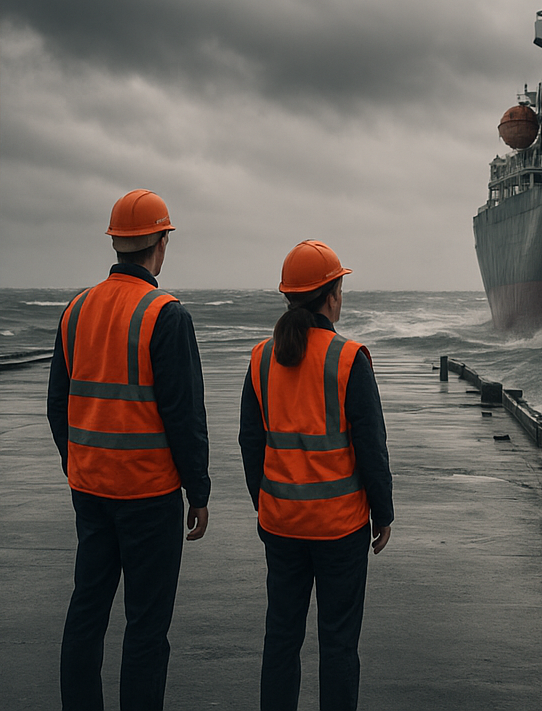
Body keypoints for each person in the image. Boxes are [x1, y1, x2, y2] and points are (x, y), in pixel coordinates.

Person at [47, 188, 211, 711]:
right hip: (148, 495)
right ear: (161, 243)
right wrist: (198, 490)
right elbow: (184, 415)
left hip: (90, 490)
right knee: (145, 624)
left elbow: (58, 405)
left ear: (117, 243)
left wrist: (78, 465)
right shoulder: (165, 314)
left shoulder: (77, 309)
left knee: (87, 611)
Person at [240, 240, 394, 711]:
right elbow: (371, 446)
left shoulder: (261, 359)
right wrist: (383, 513)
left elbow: (251, 444)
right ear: (330, 297)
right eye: (340, 290)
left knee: (281, 639)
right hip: (339, 529)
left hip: (282, 525)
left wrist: (266, 505)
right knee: (339, 645)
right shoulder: (348, 359)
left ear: (289, 297)